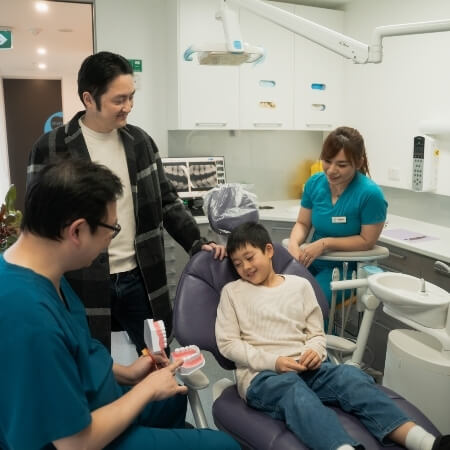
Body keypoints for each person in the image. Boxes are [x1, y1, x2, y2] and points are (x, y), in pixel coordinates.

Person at [0, 158, 239, 450]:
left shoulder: (45, 270)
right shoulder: (27, 315)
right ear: (76, 231)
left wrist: (130, 373)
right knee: (223, 445)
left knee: (174, 399)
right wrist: (146, 390)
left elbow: (76, 352)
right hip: (83, 436)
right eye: (111, 230)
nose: (111, 240)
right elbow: (73, 444)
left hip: (94, 398)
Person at [27, 51, 225, 354]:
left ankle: (157, 402)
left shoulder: (140, 142)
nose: (128, 107)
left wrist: (196, 243)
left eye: (131, 97)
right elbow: (37, 221)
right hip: (82, 278)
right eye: (119, 100)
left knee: (158, 359)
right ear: (89, 99)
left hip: (140, 276)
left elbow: (167, 202)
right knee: (89, 364)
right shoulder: (51, 147)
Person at [215, 222, 449, 450]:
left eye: (249, 257)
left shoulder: (300, 286)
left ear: (268, 250)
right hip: (264, 376)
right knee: (294, 391)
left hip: (309, 368)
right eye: (237, 264)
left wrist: (315, 352)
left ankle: (424, 442)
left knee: (350, 376)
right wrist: (273, 362)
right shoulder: (233, 293)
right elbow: (228, 344)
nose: (245, 267)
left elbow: (316, 333)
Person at [287, 126, 387, 307]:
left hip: (346, 268)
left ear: (358, 162)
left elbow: (366, 241)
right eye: (327, 161)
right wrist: (294, 244)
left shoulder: (371, 195)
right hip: (312, 259)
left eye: (341, 165)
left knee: (312, 303)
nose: (331, 170)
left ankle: (318, 336)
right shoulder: (314, 184)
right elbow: (302, 223)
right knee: (280, 292)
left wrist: (326, 243)